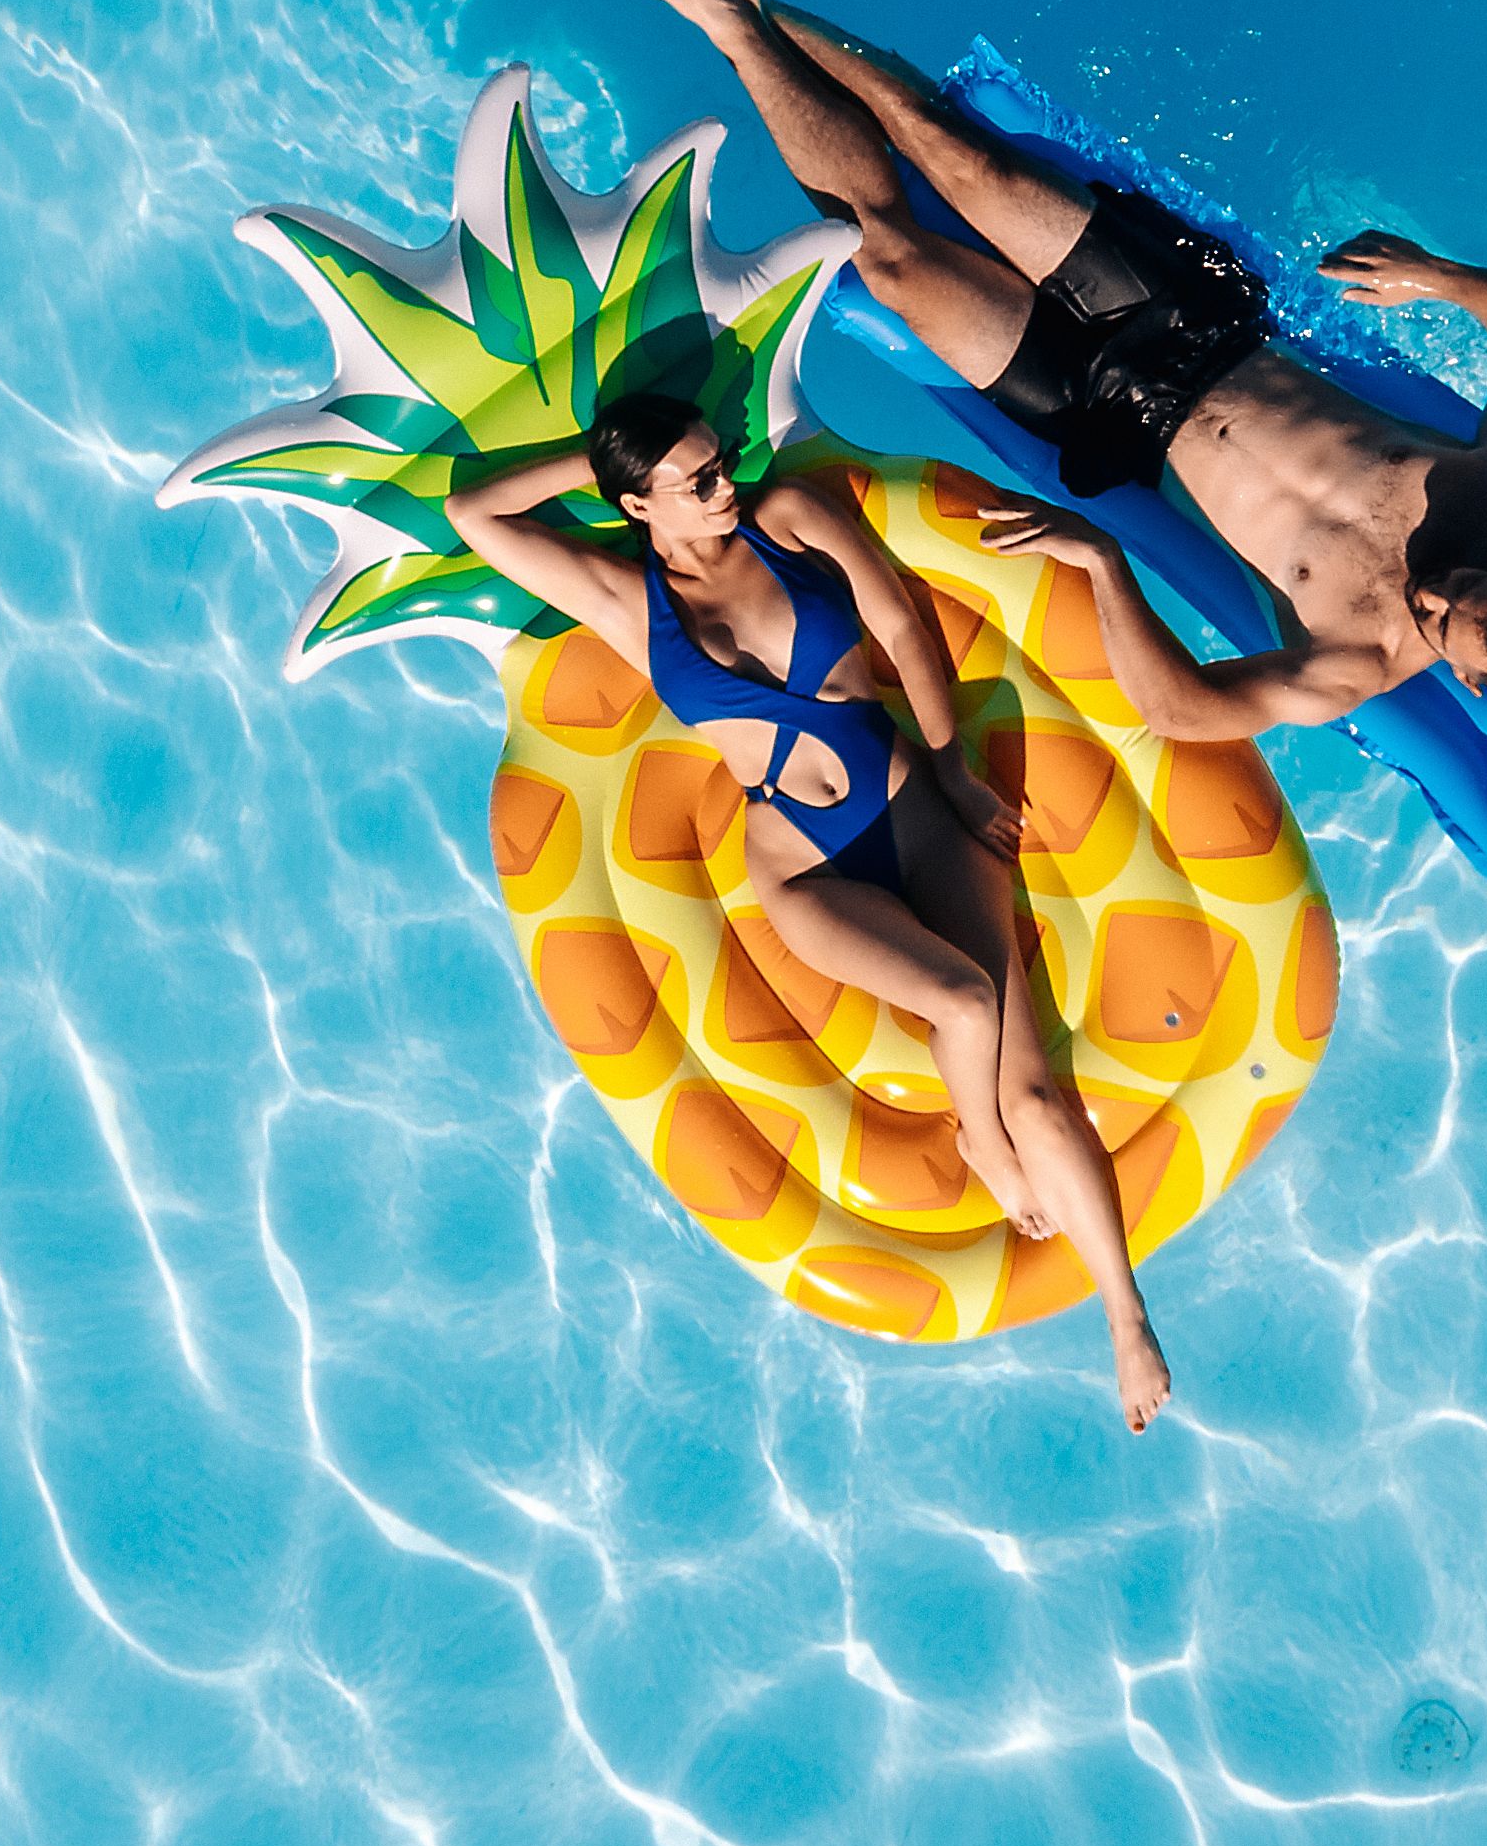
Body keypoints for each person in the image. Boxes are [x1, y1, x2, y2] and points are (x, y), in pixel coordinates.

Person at [595, 0, 1487, 737]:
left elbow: (1182, 713)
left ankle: (729, 23)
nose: (1436, 595)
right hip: (1193, 324)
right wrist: (1438, 278)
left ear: (1464, 678)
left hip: (1109, 419)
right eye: (1466, 587)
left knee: (888, 257)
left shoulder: (1351, 666)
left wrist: (1104, 564)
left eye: (1444, 623)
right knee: (951, 149)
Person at [447, 389, 1174, 1431]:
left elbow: (899, 625)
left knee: (1036, 1093)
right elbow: (474, 514)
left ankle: (1126, 1318)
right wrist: (602, 460)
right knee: (964, 1004)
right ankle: (980, 1141)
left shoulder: (785, 518)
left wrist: (953, 770)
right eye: (696, 480)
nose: (724, 485)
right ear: (638, 504)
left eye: (719, 461)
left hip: (916, 811)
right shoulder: (626, 601)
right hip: (802, 865)